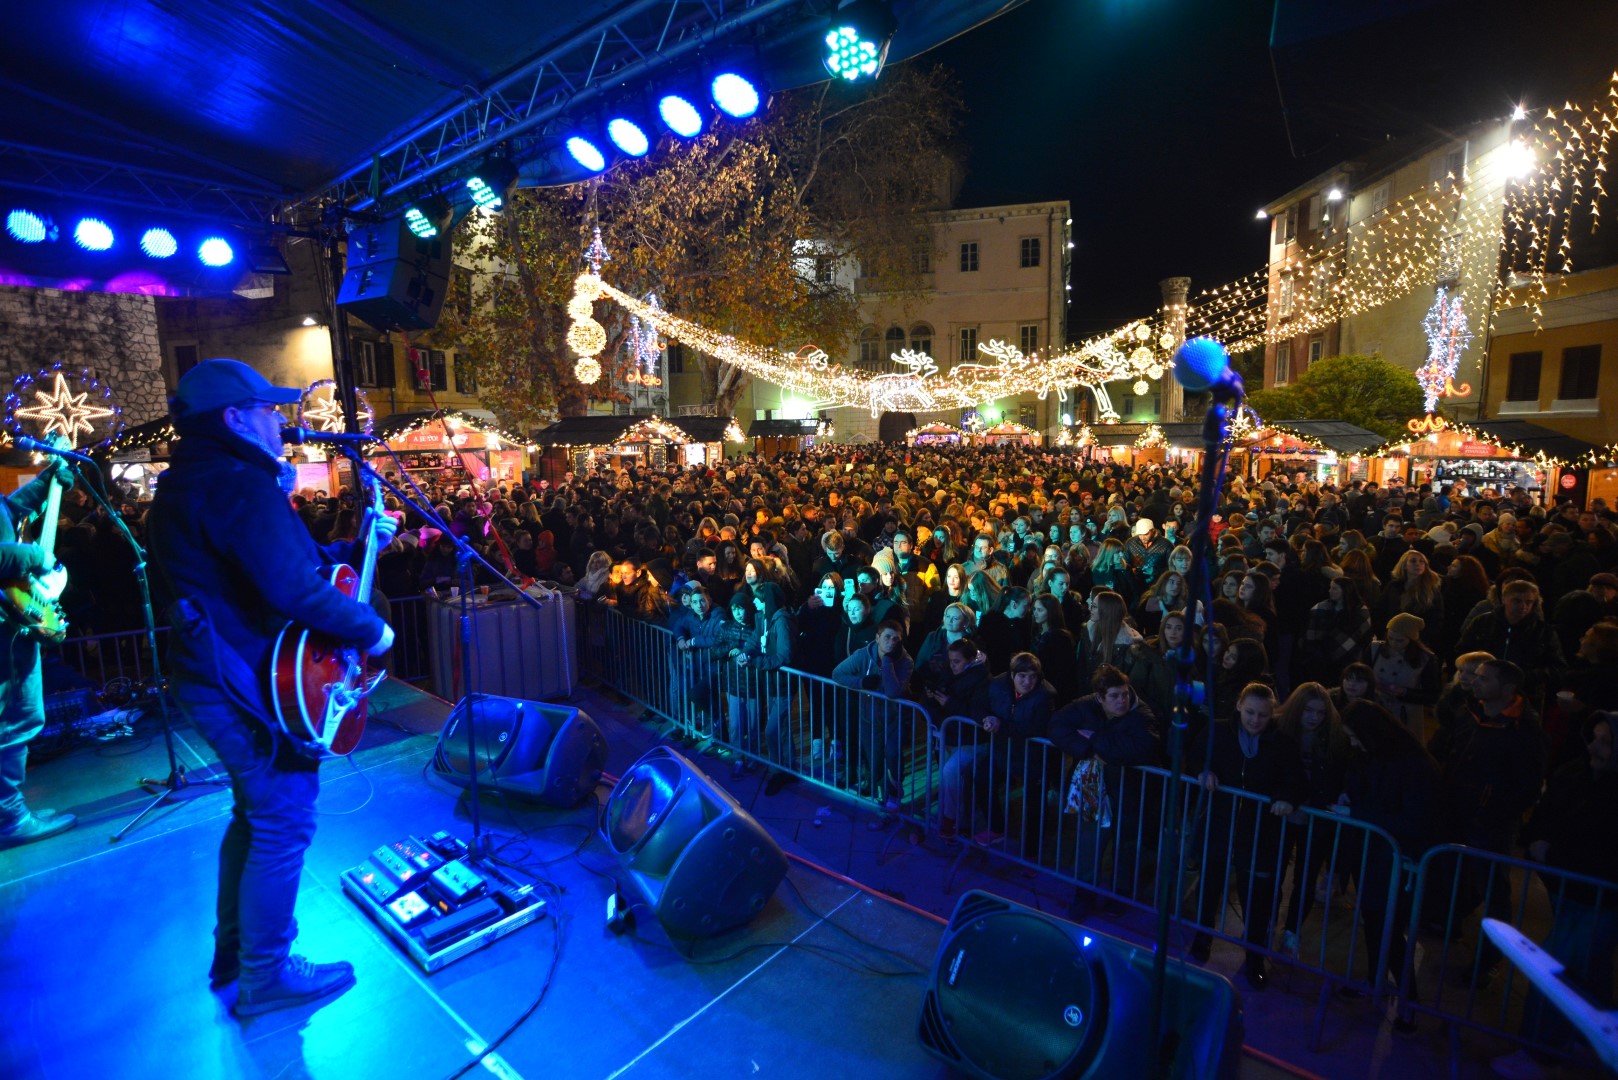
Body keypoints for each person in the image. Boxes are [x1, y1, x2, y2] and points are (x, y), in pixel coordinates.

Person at [149, 359, 396, 1017]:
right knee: (284, 816)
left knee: (253, 815)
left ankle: (236, 953)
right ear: (233, 418)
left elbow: (290, 569)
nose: (280, 421)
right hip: (242, 686)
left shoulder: (189, 482)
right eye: (266, 409)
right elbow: (290, 589)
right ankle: (266, 973)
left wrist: (361, 543)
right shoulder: (237, 482)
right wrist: (373, 631)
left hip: (211, 676)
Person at [1188, 682, 1305, 990]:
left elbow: (1294, 779)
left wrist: (1285, 797)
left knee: (1257, 898)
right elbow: (1195, 755)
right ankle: (1202, 939)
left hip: (1259, 832)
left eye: (1262, 715)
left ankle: (1254, 958)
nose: (1255, 720)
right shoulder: (1217, 731)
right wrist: (1202, 770)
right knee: (1209, 888)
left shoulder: (1282, 743)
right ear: (1239, 706)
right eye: (1250, 712)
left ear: (1272, 714)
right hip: (1220, 823)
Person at [0, 448, 76, 849]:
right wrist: (36, 555)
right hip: (3, 634)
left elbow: (5, 512)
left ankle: (10, 812)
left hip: (10, 624)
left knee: (20, 717)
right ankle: (9, 818)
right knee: (14, 718)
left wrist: (46, 481)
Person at [833, 620, 915, 814]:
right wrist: (861, 682)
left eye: (896, 639)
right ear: (877, 638)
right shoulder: (863, 655)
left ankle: (893, 795)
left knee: (893, 757)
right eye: (887, 637)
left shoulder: (905, 661)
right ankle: (882, 794)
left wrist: (887, 661)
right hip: (869, 718)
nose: (892, 642)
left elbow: (894, 691)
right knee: (875, 759)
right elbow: (838, 673)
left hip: (895, 719)